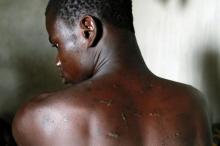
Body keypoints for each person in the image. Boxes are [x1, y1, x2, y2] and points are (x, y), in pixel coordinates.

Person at [12, 0, 212, 145]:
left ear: (88, 30)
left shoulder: (39, 117)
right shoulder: (195, 105)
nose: (57, 60)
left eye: (57, 44)